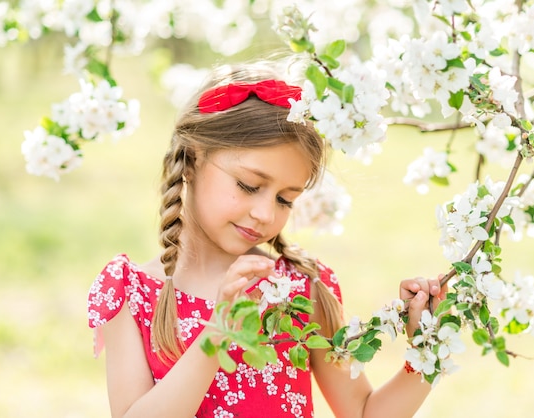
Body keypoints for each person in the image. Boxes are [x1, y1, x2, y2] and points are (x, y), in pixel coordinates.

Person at [87, 62, 444, 418]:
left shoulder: (301, 288)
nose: (265, 214)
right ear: (193, 159)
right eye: (249, 186)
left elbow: (363, 413)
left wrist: (427, 348)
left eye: (285, 199)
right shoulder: (131, 293)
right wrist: (218, 332)